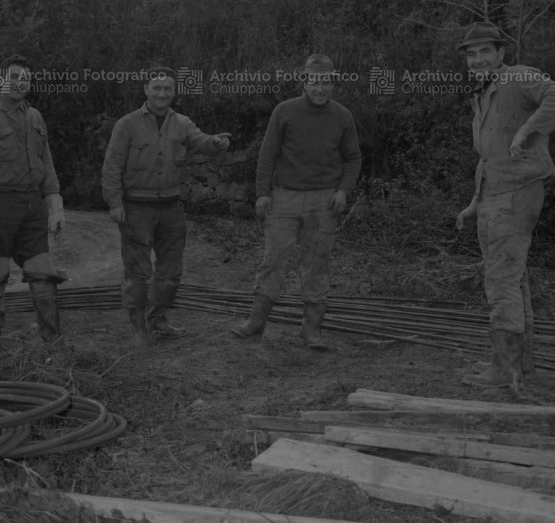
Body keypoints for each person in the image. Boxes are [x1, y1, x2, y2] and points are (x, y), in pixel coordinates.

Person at [455, 22, 555, 391]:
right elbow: (488, 156)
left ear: (501, 53)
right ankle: (520, 361)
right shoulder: (484, 92)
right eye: (472, 54)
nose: (478, 60)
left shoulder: (517, 78)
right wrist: (475, 201)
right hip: (495, 195)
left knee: (502, 279)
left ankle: (503, 370)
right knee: (514, 276)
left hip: (515, 194)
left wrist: (529, 130)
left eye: (485, 52)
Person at [231, 54, 362, 350]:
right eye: (314, 81)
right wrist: (263, 193)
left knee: (317, 262)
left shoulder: (342, 116)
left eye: (326, 82)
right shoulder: (284, 111)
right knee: (273, 258)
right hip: (285, 197)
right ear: (304, 81)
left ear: (333, 83)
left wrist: (343, 191)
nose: (320, 88)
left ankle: (311, 330)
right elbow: (267, 155)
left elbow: (353, 157)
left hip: (324, 200)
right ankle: (255, 323)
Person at [101, 67, 231, 345]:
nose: (162, 93)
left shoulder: (182, 123)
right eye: (157, 88)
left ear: (174, 92)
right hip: (136, 208)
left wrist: (217, 143)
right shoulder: (127, 124)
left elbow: (203, 142)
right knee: (136, 271)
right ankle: (138, 328)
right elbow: (111, 166)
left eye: (168, 89)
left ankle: (158, 319)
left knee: (171, 271)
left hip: (171, 207)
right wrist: (115, 203)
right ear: (146, 89)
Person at [0, 54, 67, 343]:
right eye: (14, 77)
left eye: (26, 78)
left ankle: (52, 343)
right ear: (0, 80)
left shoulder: (35, 117)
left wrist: (54, 205)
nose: (20, 83)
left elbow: (47, 162)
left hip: (33, 205)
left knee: (43, 270)